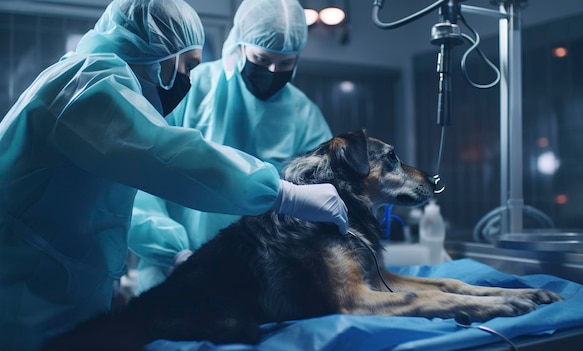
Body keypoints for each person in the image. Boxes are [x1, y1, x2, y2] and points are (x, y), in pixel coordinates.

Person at [0, 0, 347, 350]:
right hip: (26, 297)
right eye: (187, 65)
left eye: (285, 63)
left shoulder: (94, 83)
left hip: (54, 292)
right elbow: (168, 155)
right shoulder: (86, 86)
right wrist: (283, 194)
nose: (187, 80)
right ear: (154, 47)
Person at [128, 0, 335, 293]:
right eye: (263, 60)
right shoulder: (191, 88)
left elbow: (321, 196)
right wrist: (173, 252)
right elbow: (140, 179)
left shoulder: (305, 115)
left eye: (286, 63)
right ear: (240, 45)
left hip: (261, 283)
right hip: (174, 275)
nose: (274, 71)